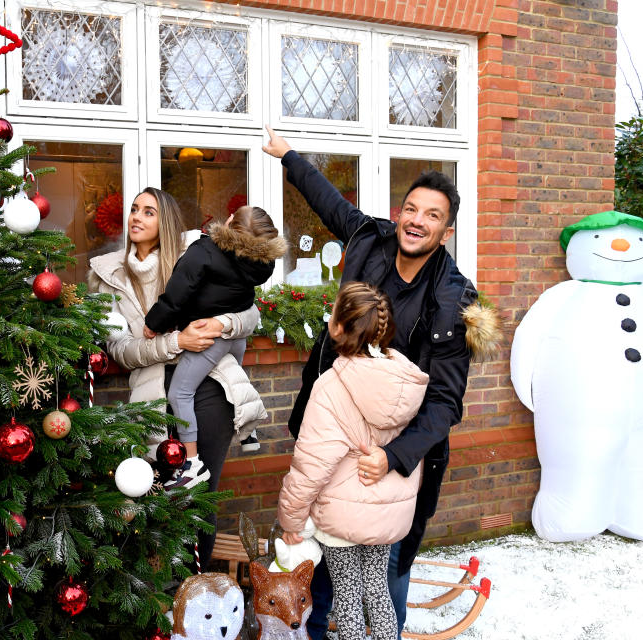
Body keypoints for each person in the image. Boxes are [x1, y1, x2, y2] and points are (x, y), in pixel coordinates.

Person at [263, 127, 477, 639]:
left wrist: (396, 455)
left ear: (446, 232)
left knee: (387, 571)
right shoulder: (369, 239)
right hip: (333, 429)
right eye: (411, 209)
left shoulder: (453, 300)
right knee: (323, 557)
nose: (416, 221)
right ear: (399, 212)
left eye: (432, 216)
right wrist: (290, 155)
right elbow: (330, 204)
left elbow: (447, 400)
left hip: (396, 458)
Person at [87, 187, 266, 569]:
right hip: (152, 396)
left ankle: (198, 592)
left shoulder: (196, 253)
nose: (136, 217)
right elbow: (120, 349)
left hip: (212, 388)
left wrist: (222, 322)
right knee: (150, 495)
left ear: (164, 221)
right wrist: (175, 342)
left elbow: (249, 312)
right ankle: (159, 597)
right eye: (134, 209)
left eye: (148, 212)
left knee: (199, 495)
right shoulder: (106, 276)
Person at [277, 282, 429, 640]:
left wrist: (291, 518)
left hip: (342, 513)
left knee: (346, 595)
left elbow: (312, 464)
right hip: (388, 510)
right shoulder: (404, 379)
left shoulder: (332, 385)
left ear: (338, 327)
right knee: (376, 589)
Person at [142, 206, 287, 489]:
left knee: (180, 392)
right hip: (236, 335)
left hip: (209, 337)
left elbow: (176, 294)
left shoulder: (205, 251)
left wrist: (154, 323)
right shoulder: (261, 262)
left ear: (230, 221)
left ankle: (192, 464)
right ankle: (249, 434)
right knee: (236, 380)